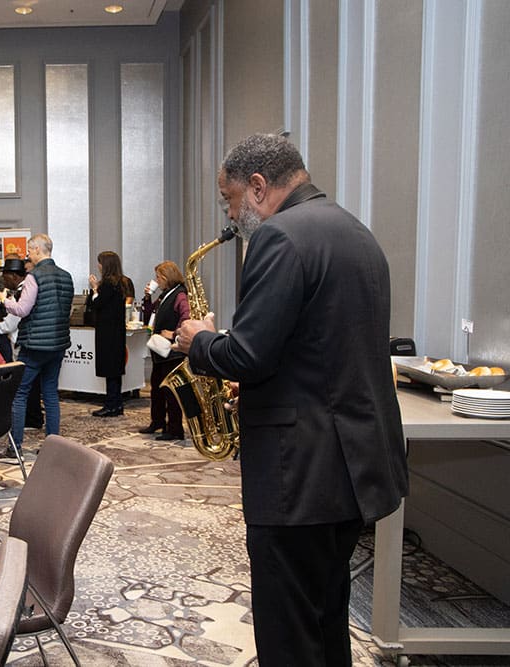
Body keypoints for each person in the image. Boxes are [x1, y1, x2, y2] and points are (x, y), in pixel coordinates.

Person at [175, 133, 408, 665]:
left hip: (300, 476)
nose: (230, 215)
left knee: (288, 637)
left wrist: (200, 341)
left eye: (230, 199)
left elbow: (249, 353)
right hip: (351, 469)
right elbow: (322, 349)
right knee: (325, 620)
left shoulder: (279, 237)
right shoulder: (355, 231)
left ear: (258, 187)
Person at [4, 233, 73, 448]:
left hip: (35, 344)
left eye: (29, 251)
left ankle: (14, 447)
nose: (28, 255)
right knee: (50, 393)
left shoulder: (34, 276)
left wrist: (5, 301)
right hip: (58, 342)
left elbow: (22, 310)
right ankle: (53, 445)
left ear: (36, 250)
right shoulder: (66, 276)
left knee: (19, 393)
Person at [139, 261, 190, 441]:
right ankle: (157, 421)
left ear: (167, 277)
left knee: (171, 391)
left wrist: (174, 333)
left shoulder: (180, 295)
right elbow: (149, 316)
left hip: (172, 352)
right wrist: (147, 298)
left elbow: (186, 318)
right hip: (160, 351)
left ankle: (175, 429)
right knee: (157, 389)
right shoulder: (164, 295)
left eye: (158, 277)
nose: (156, 280)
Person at [87, 251, 127, 417]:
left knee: (110, 370)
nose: (98, 266)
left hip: (107, 333)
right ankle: (117, 403)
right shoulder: (121, 283)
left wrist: (94, 288)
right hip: (117, 332)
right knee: (115, 371)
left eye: (100, 262)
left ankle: (111, 405)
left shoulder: (107, 285)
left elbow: (96, 304)